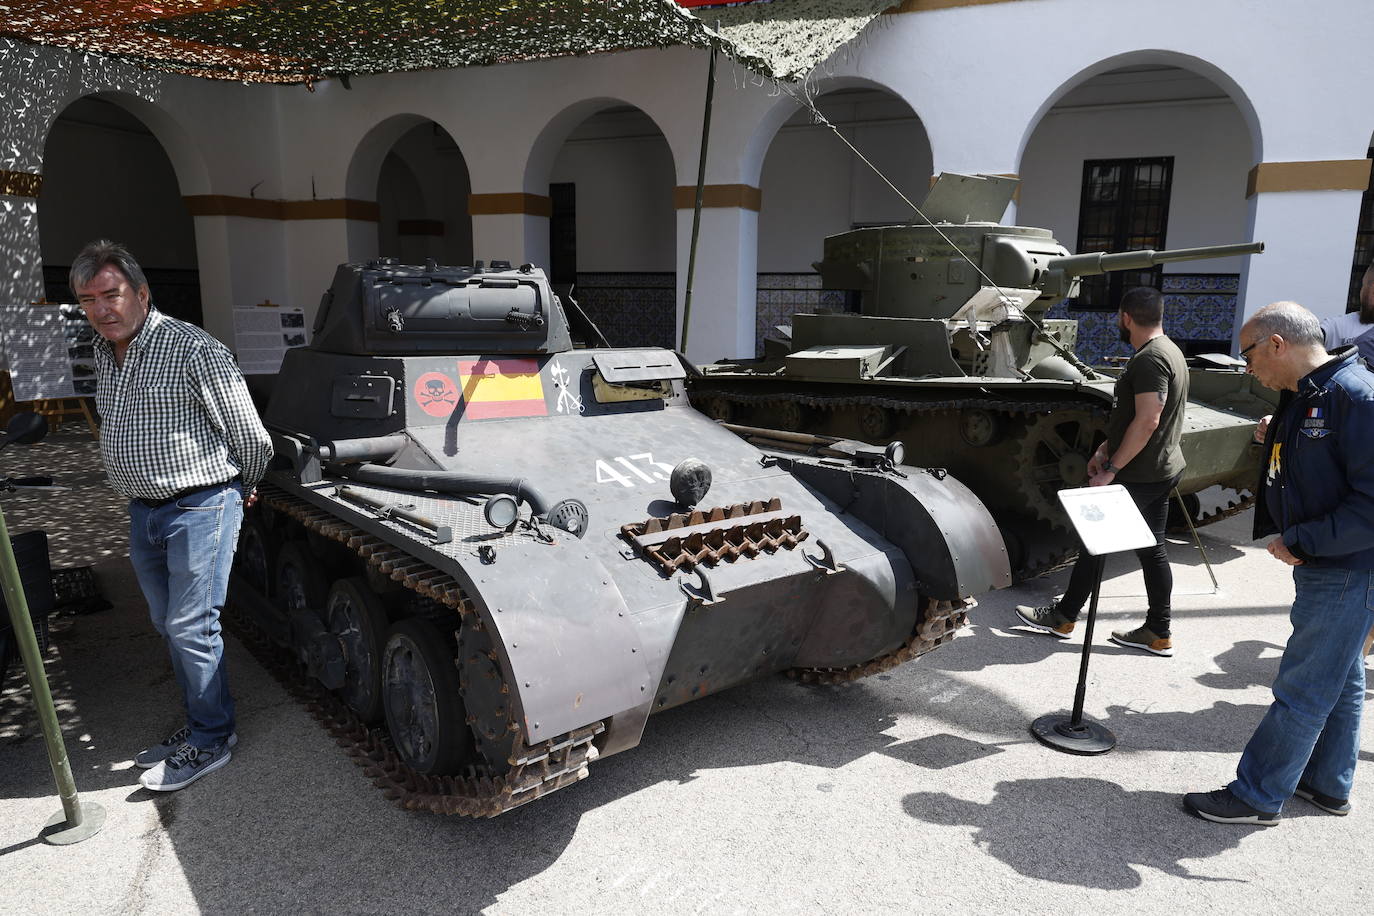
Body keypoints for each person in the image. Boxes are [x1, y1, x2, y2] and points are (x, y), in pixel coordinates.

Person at [70, 240, 273, 792]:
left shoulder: (192, 348)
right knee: (168, 624)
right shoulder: (101, 349)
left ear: (140, 292)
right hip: (145, 510)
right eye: (89, 300)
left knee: (190, 624)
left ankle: (211, 739)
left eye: (110, 294)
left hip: (199, 504)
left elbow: (252, 438)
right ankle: (199, 726)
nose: (101, 309)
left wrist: (242, 488)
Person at [1184, 301, 1374, 825]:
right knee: (1342, 675)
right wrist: (1280, 434)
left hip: (1343, 566)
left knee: (1304, 687)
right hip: (1335, 564)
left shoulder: (1354, 397)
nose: (1246, 368)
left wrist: (1306, 541)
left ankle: (1257, 795)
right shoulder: (1313, 393)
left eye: (1247, 355)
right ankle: (1327, 784)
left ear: (1276, 343)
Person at [1014, 286, 1188, 656]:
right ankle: (1158, 630)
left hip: (1139, 472)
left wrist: (1112, 467)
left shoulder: (1149, 360)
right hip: (1160, 467)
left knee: (1094, 545)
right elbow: (1135, 419)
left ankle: (1063, 617)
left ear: (1125, 317)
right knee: (1151, 550)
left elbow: (1148, 420)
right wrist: (1105, 447)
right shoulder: (1170, 351)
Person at [1318, 262, 1374, 354]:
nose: (1370, 298)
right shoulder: (1337, 327)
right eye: (1369, 288)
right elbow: (1310, 338)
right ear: (1363, 289)